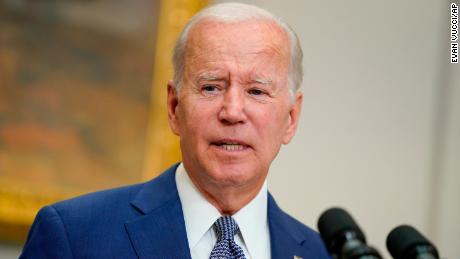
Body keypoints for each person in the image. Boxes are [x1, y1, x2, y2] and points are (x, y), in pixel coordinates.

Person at [20, 3, 331, 259]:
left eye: (257, 92)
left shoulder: (322, 254)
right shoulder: (74, 235)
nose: (233, 112)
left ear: (291, 118)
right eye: (211, 87)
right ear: (174, 108)